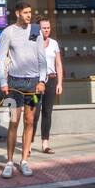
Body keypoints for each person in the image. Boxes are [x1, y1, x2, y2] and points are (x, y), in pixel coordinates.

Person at [0, 1, 47, 178]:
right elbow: (1, 58)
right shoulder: (8, 32)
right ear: (17, 13)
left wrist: (42, 81)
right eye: (25, 12)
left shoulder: (35, 30)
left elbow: (42, 58)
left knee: (30, 120)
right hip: (13, 85)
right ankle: (9, 161)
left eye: (30, 12)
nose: (29, 15)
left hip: (33, 85)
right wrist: (3, 81)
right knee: (13, 121)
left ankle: (24, 160)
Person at [32, 14, 63, 153]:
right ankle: (29, 143)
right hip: (36, 83)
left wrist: (59, 83)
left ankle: (45, 143)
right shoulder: (33, 43)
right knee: (34, 112)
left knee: (47, 112)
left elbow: (58, 64)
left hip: (51, 80)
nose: (46, 30)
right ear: (38, 29)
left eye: (48, 28)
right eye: (44, 28)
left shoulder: (54, 43)